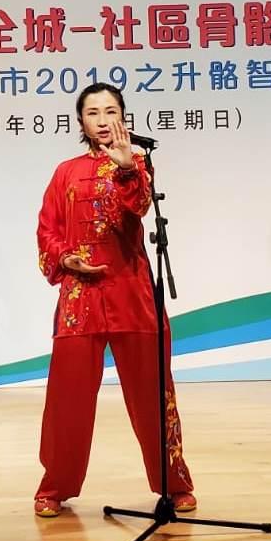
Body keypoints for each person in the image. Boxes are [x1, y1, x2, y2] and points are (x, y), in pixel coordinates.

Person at [32, 83, 194, 518]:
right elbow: (47, 229)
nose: (103, 121)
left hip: (131, 291)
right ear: (80, 121)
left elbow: (139, 208)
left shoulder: (137, 163)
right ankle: (54, 487)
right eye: (93, 113)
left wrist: (126, 168)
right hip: (79, 297)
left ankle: (174, 484)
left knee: (152, 394)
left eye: (110, 111)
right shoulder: (65, 171)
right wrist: (65, 258)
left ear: (123, 117)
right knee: (67, 399)